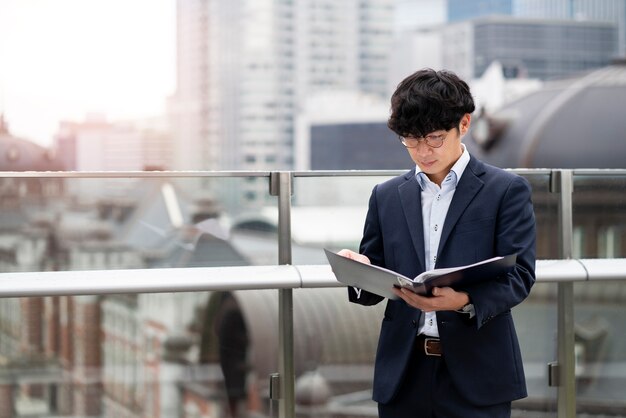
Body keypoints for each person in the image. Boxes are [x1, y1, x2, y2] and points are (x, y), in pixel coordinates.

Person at [339, 68, 536, 418]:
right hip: (404, 374)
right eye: (411, 141)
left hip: (477, 374)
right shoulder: (386, 196)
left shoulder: (505, 190)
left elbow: (519, 276)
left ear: (463, 124)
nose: (423, 152)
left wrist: (462, 301)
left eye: (433, 138)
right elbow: (374, 282)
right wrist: (360, 271)